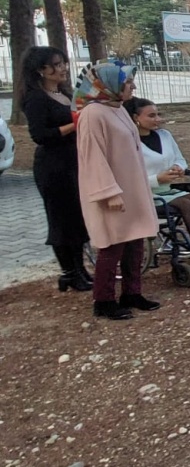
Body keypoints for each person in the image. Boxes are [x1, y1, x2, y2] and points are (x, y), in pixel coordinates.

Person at [74, 62, 162, 320]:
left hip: (131, 188)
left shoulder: (118, 108)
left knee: (135, 242)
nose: (133, 86)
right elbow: (93, 158)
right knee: (112, 246)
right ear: (109, 85)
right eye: (127, 82)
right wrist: (108, 192)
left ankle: (132, 293)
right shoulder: (93, 114)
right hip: (112, 193)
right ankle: (103, 300)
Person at [20, 47, 93, 293]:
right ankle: (69, 272)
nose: (62, 68)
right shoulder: (36, 99)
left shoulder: (64, 93)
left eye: (63, 63)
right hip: (54, 167)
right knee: (62, 221)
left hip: (74, 162)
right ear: (41, 70)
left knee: (78, 218)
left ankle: (81, 268)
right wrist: (73, 125)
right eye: (56, 65)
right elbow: (40, 136)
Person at [126, 97, 190, 259]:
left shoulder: (164, 135)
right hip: (147, 193)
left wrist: (179, 168)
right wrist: (158, 178)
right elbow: (130, 178)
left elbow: (180, 159)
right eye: (152, 116)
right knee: (185, 203)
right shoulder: (130, 144)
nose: (158, 119)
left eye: (158, 114)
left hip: (167, 189)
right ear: (136, 118)